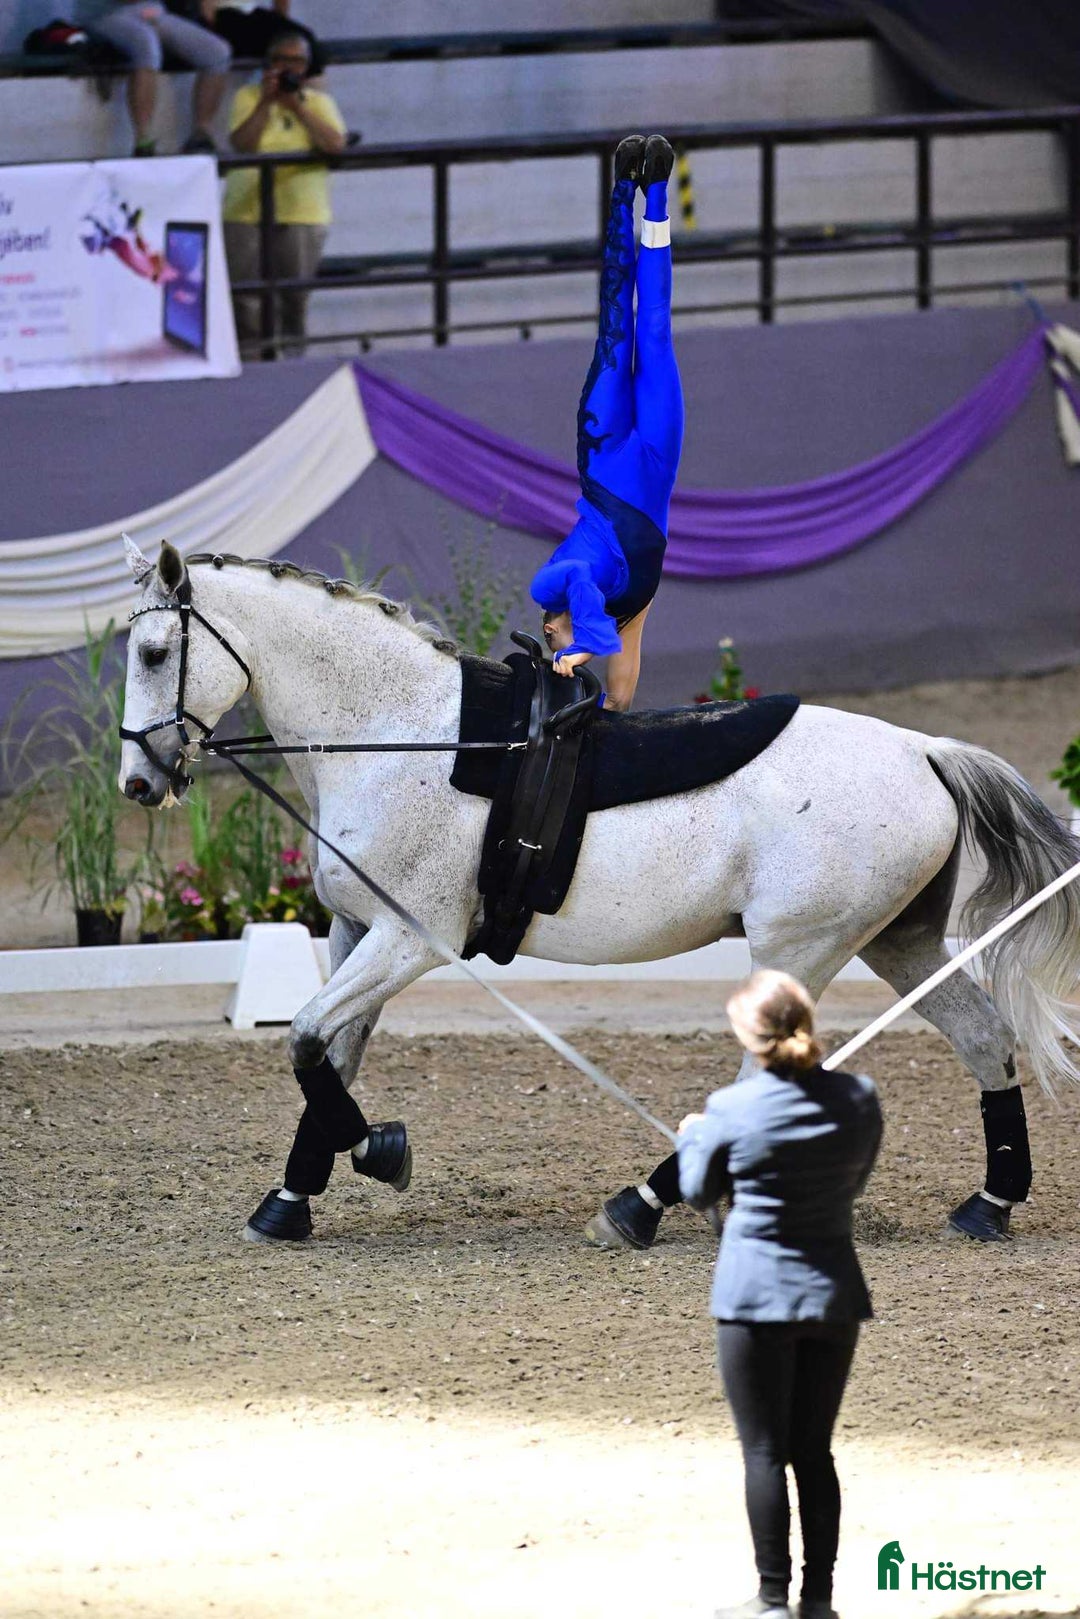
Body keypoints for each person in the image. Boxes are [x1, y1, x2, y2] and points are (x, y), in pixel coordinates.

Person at [677, 971, 883, 1619]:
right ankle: (818, 1600)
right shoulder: (858, 1097)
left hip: (754, 1296)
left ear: (749, 1037)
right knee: (814, 1451)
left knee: (765, 1451)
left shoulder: (730, 1107)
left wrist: (693, 1136)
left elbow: (697, 1191)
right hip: (832, 1291)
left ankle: (771, 1599)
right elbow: (854, 1181)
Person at [531, 132, 683, 712]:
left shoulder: (551, 586)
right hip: (657, 460)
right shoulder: (629, 608)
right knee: (656, 332)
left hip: (605, 449)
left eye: (557, 647)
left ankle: (623, 191)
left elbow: (578, 579)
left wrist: (581, 645)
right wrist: (587, 710)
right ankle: (658, 193)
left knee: (617, 325)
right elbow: (619, 699)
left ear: (552, 628)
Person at [222, 30, 346, 356]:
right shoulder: (247, 97)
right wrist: (267, 102)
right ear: (269, 64)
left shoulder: (320, 103)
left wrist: (298, 108)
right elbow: (243, 144)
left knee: (294, 296)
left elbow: (335, 145)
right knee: (245, 297)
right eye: (281, 61)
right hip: (246, 211)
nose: (289, 68)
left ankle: (291, 364)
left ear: (306, 68)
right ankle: (250, 360)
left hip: (301, 212)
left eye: (297, 62)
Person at [81, 1, 231, 157]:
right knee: (146, 43)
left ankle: (201, 134)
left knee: (217, 52)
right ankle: (143, 140)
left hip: (150, 10)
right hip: (102, 14)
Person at [203, 0, 325, 77]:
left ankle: (311, 103)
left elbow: (281, 8)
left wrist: (282, 28)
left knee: (305, 44)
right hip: (222, 16)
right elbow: (207, 11)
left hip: (248, 14)